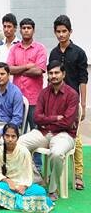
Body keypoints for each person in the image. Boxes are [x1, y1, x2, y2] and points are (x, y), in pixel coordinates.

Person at [18, 61, 78, 200]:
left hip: (64, 135)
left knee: (57, 153)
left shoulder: (72, 94)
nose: (53, 76)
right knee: (19, 144)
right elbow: (36, 117)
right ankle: (38, 179)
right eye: (51, 73)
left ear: (63, 74)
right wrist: (55, 118)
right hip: (43, 132)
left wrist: (47, 121)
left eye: (57, 73)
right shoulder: (44, 93)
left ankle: (52, 189)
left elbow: (68, 122)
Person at [48, 14, 87, 191]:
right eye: (58, 31)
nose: (61, 34)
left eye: (64, 31)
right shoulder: (53, 53)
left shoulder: (79, 53)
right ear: (55, 32)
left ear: (70, 31)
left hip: (73, 102)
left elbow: (83, 80)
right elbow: (50, 78)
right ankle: (54, 172)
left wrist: (83, 105)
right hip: (56, 101)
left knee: (75, 137)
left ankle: (78, 174)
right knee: (54, 134)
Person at [0, 124, 53, 212]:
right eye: (7, 136)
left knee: (40, 191)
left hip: (24, 187)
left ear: (17, 138)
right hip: (8, 186)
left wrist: (24, 186)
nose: (10, 139)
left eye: (13, 136)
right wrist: (8, 181)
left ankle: (9, 202)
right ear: (3, 137)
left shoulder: (24, 151)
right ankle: (26, 203)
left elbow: (29, 174)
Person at [7, 18, 47, 133]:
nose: (26, 30)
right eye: (24, 28)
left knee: (36, 131)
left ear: (33, 30)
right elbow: (9, 69)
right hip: (17, 97)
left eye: (29, 28)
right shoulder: (14, 48)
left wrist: (18, 69)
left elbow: (39, 71)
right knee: (17, 131)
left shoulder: (40, 48)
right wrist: (27, 66)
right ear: (20, 30)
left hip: (34, 98)